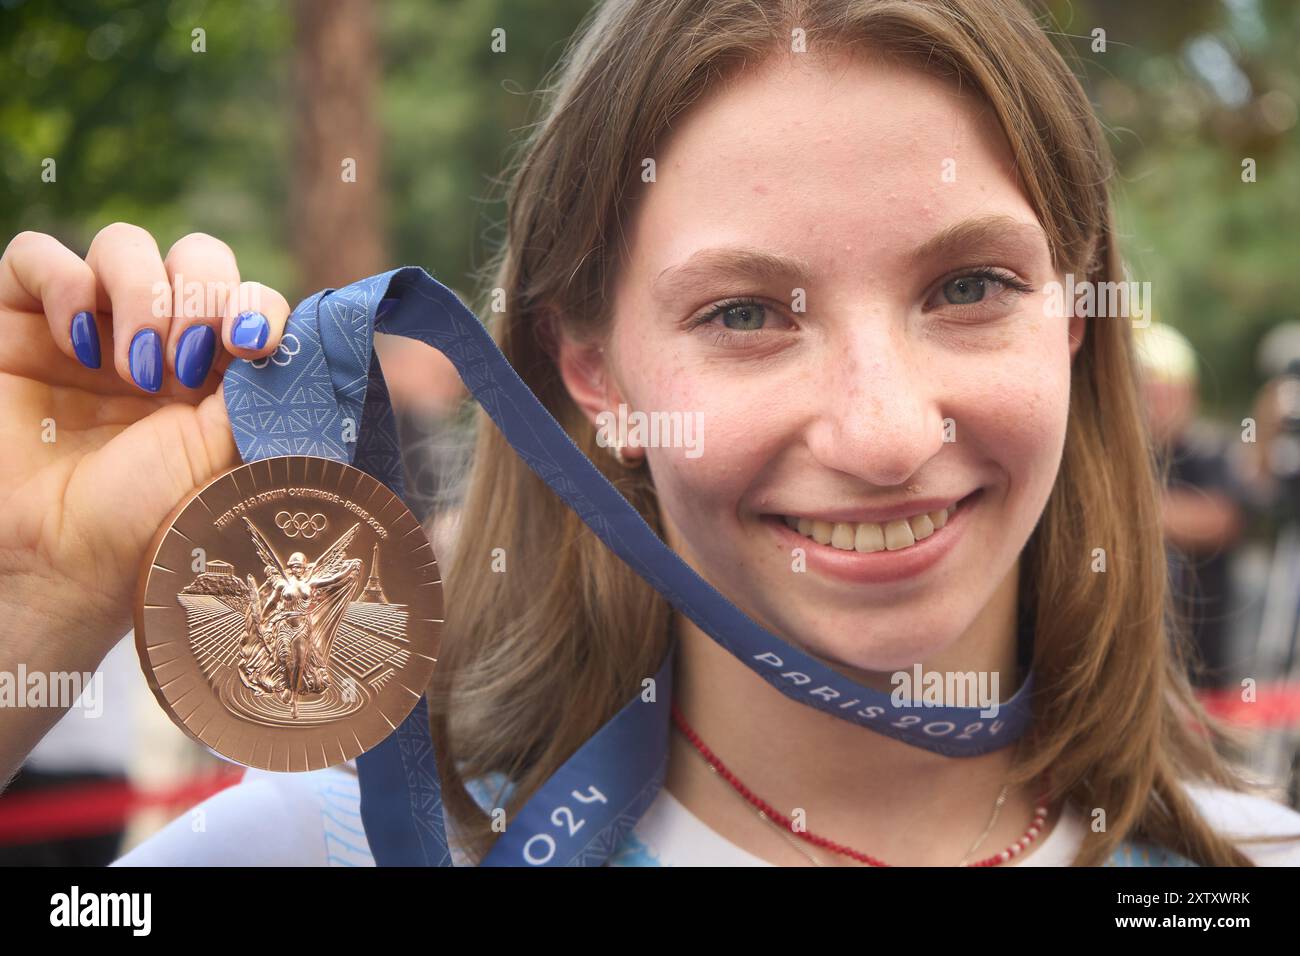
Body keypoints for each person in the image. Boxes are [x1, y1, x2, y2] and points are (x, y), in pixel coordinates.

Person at [3, 0, 1300, 867]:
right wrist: (34, 605)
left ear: (1076, 316)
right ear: (592, 372)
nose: (886, 432)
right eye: (747, 312)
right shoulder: (323, 852)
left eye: (969, 288)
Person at [1133, 323, 1247, 690]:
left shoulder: (1211, 450)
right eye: (1148, 394)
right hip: (1139, 664)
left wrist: (1127, 511)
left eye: (1167, 395)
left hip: (1205, 663)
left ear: (1189, 395)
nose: (1157, 407)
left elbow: (1220, 520)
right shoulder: (1123, 458)